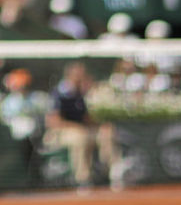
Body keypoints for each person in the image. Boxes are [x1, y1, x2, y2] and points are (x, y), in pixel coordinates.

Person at [44, 61, 124, 192]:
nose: (82, 78)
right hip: (60, 133)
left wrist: (101, 125)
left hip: (82, 130)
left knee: (106, 132)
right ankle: (82, 179)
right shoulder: (59, 92)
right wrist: (76, 127)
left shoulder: (80, 94)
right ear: (70, 75)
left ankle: (112, 173)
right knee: (80, 137)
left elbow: (86, 118)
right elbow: (53, 121)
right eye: (79, 75)